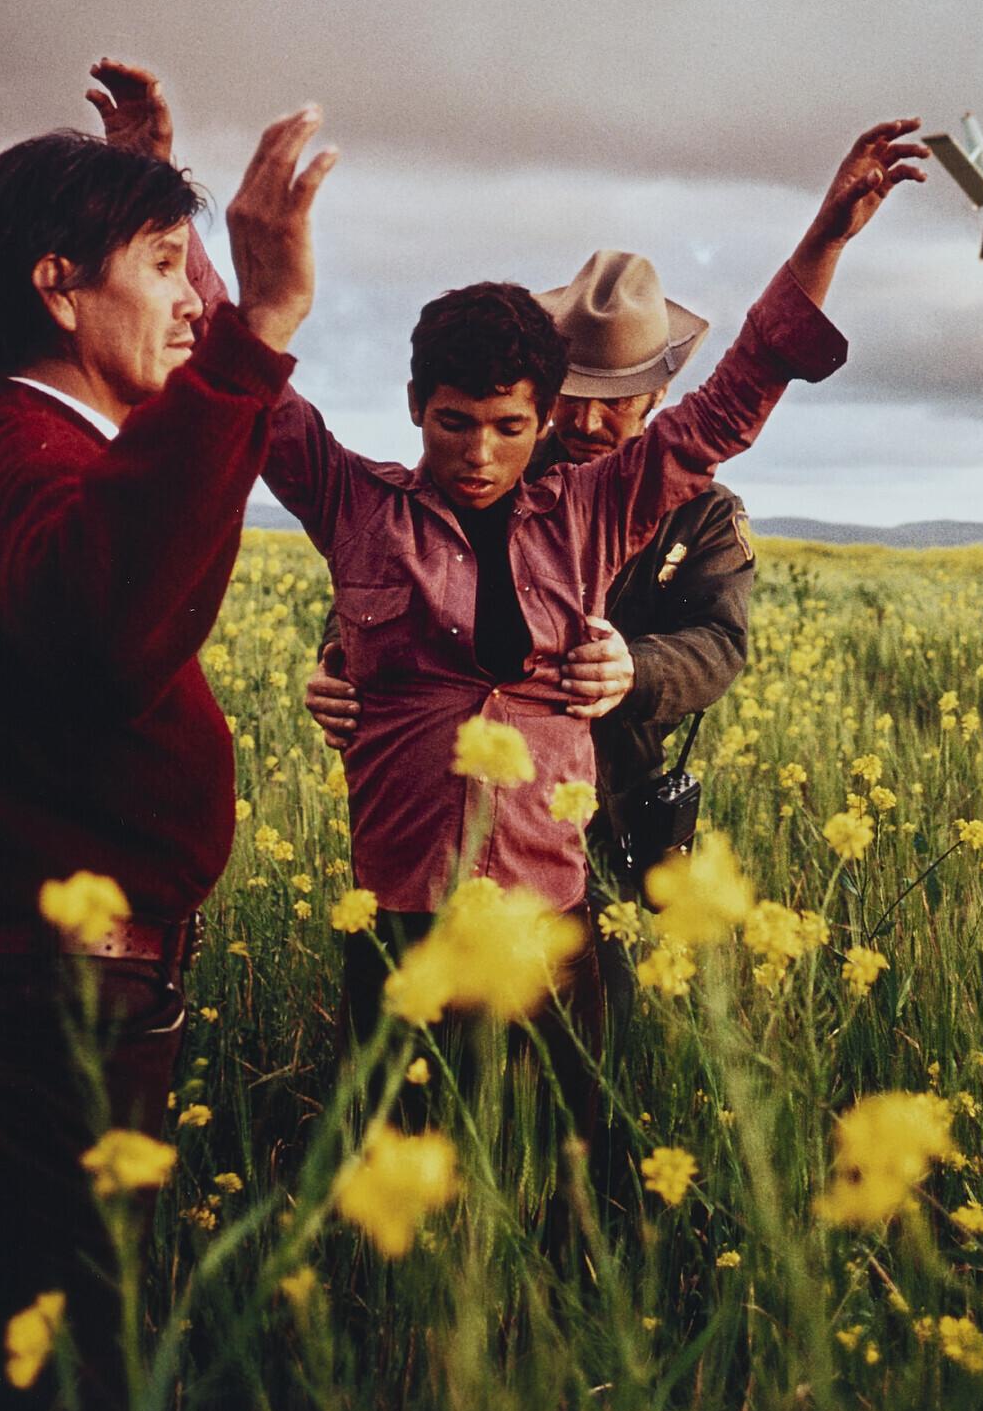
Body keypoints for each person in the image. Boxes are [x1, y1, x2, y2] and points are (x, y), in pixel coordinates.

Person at [226, 106, 919, 1149]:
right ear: (419, 405)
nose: (479, 449)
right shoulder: (365, 506)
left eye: (510, 423)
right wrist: (336, 668)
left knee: (579, 1158)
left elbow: (737, 402)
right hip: (406, 907)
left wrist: (821, 241)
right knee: (393, 1161)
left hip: (561, 877)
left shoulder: (618, 507)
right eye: (455, 421)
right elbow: (261, 411)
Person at [0, 64, 330, 1411]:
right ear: (58, 287)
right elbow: (106, 619)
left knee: (31, 1358)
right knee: (52, 1391)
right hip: (47, 1005)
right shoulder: (16, 451)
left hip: (37, 987)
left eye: (194, 272)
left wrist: (148, 191)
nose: (191, 300)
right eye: (160, 267)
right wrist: (259, 332)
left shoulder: (16, 441)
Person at [300, 246, 758, 1182]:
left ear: (654, 402)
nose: (590, 421)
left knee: (582, 1062)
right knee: (416, 1080)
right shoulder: (491, 453)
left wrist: (637, 667)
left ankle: (573, 1238)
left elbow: (721, 643)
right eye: (576, 396)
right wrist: (332, 668)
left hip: (604, 795)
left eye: (615, 402)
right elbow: (388, 598)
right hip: (441, 823)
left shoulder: (695, 511)